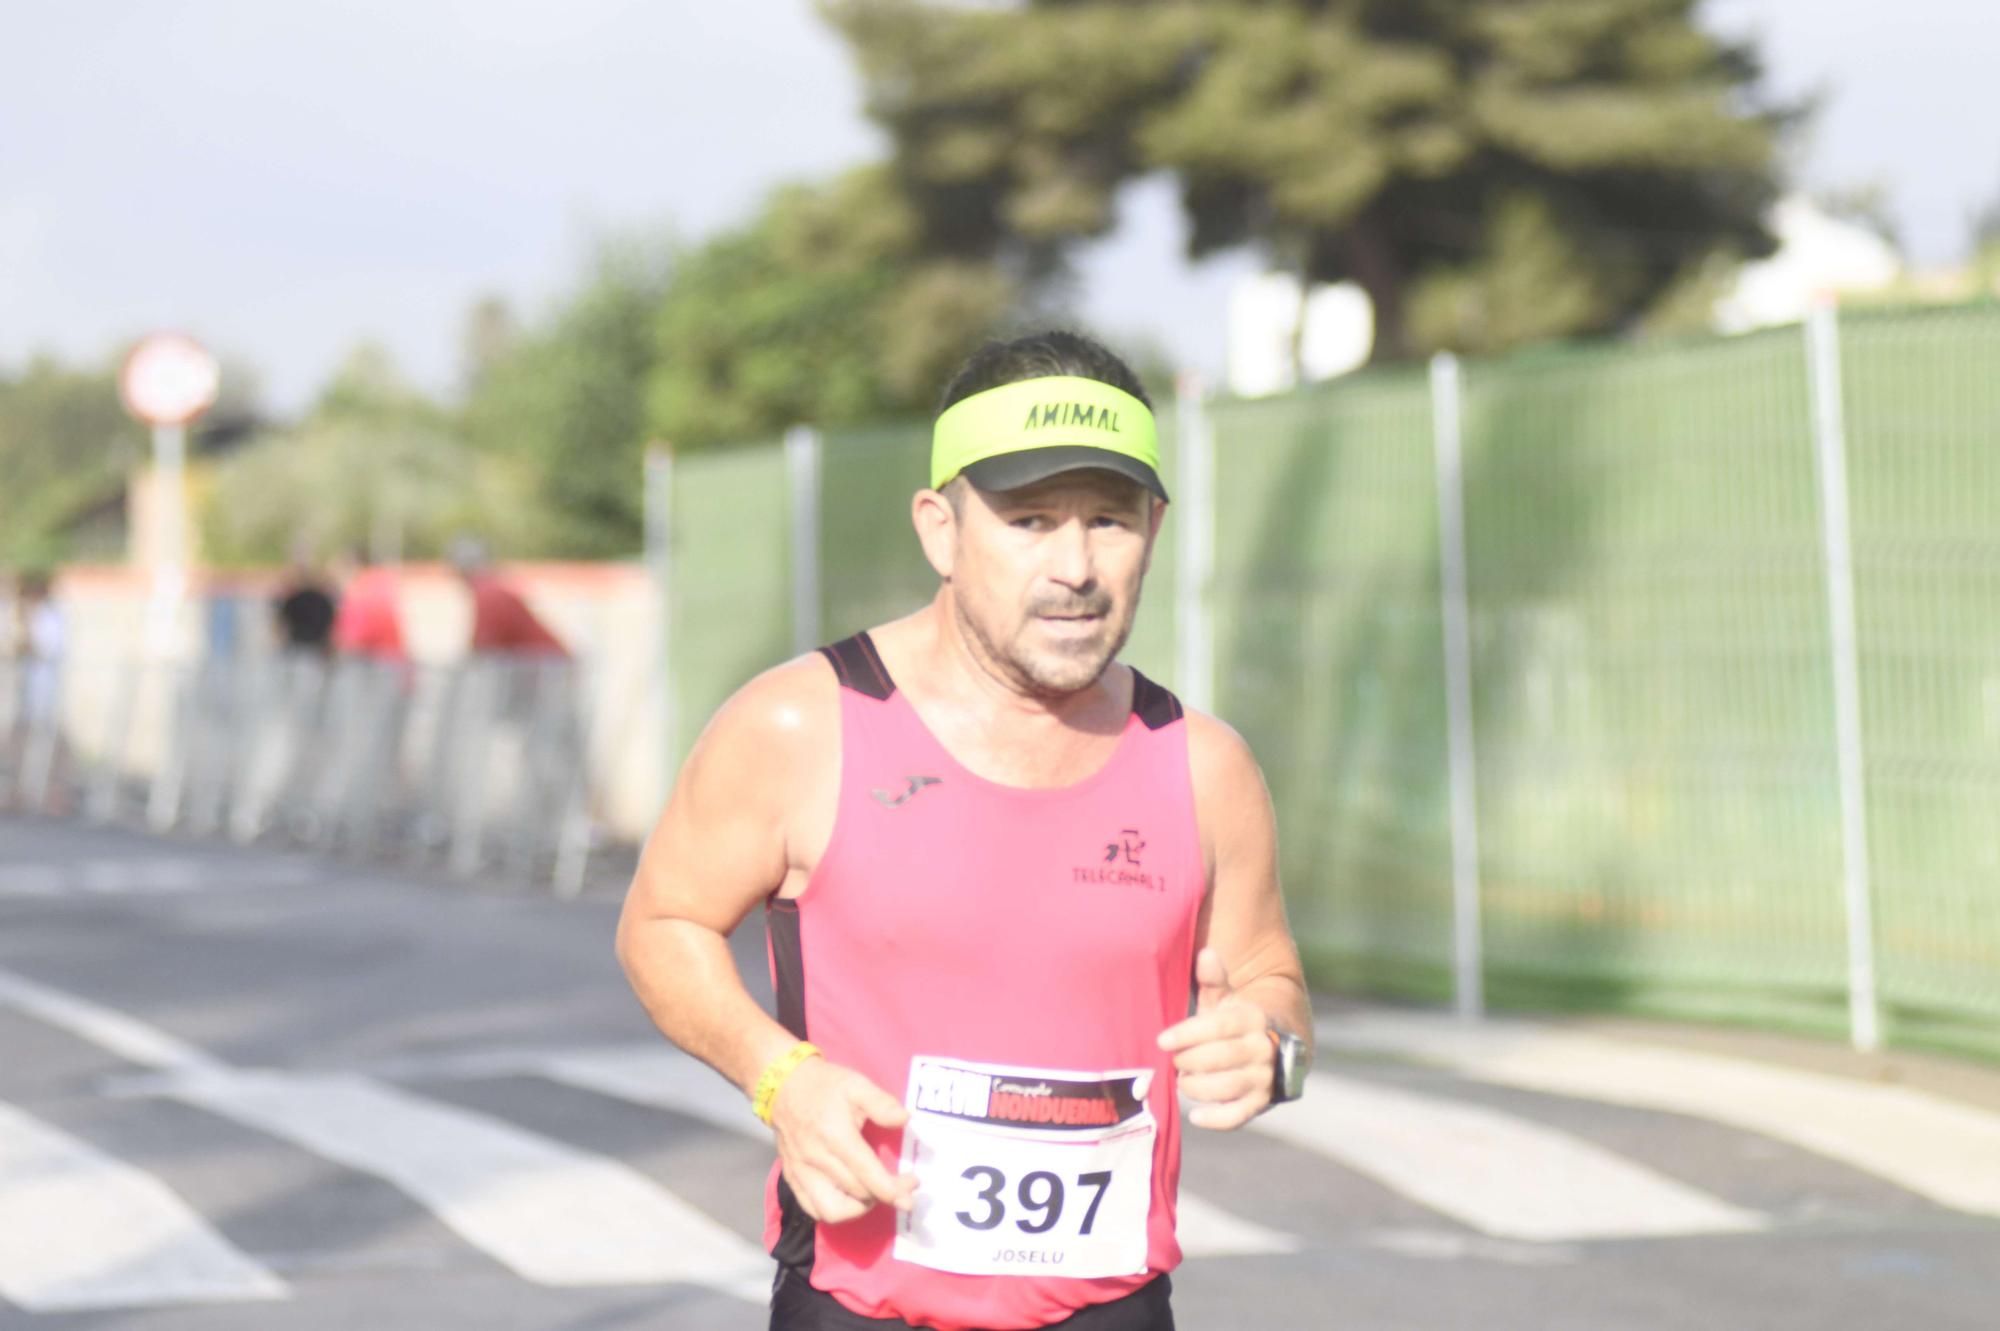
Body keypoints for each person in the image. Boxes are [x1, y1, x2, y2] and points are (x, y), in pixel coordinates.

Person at [617, 330, 1313, 1331]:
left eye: (1108, 521)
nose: (1074, 566)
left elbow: (1267, 975)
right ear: (940, 529)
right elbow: (661, 924)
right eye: (1029, 519)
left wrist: (1273, 1045)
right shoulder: (802, 724)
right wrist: (780, 1078)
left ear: (1153, 529)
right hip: (861, 1301)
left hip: (1111, 1304)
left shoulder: (1202, 764)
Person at [446, 536, 568, 658]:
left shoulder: (489, 593)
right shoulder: (493, 588)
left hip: (546, 665)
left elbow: (482, 647)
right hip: (541, 662)